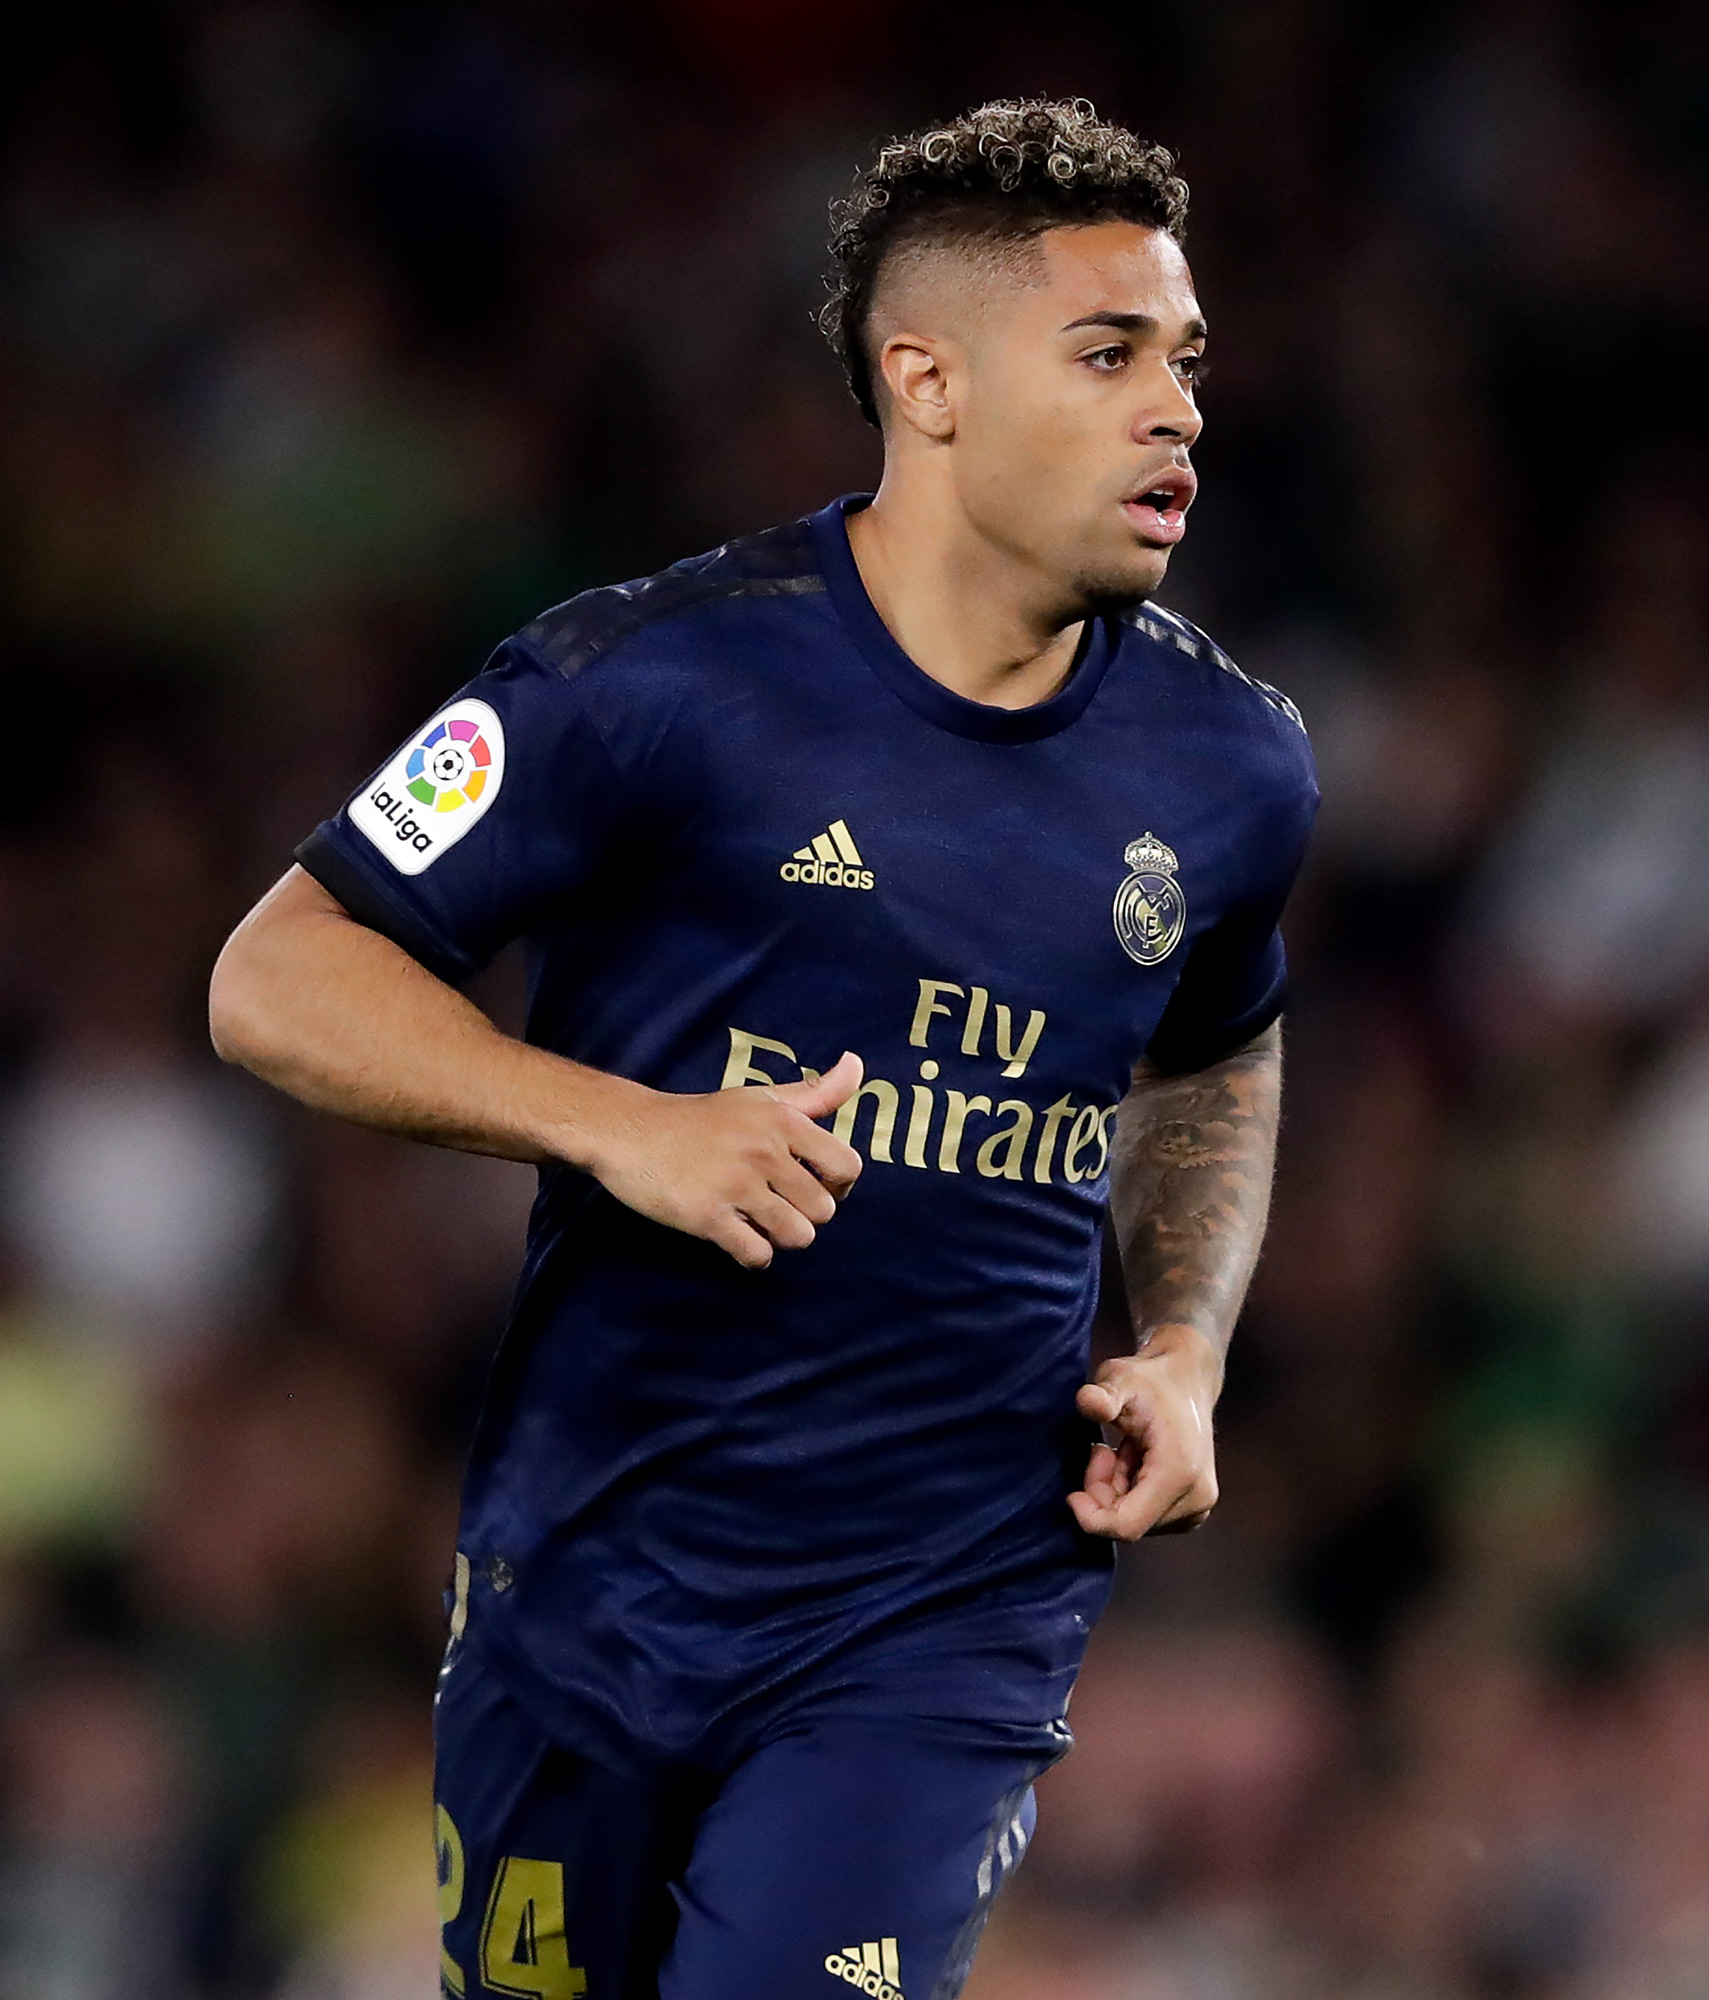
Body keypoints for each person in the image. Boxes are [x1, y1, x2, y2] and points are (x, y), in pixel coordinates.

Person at [207, 98, 1314, 2000]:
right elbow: (276, 974)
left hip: (942, 1613)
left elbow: (1216, 1057)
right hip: (597, 1586)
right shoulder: (653, 685)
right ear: (929, 381)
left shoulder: (1232, 766)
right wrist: (616, 1125)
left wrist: (1191, 1345)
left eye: (1188, 361)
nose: (1179, 411)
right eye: (1112, 354)